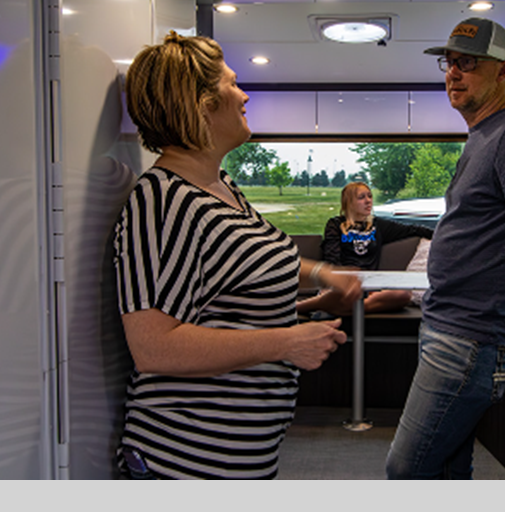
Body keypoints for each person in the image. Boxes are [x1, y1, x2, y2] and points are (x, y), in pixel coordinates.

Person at [112, 31, 361, 479]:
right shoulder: (163, 198)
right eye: (232, 83)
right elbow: (153, 346)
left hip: (242, 454)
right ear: (202, 104)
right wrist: (286, 342)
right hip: (185, 455)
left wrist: (322, 274)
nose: (244, 95)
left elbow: (244, 266)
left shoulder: (221, 186)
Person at [385, 17, 505, 479]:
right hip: (451, 329)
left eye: (468, 63)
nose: (453, 73)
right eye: (450, 63)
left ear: (503, 71)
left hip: (470, 341)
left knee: (406, 469)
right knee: (447, 468)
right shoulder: (483, 136)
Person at [296, 181, 433, 317]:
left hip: (370, 284)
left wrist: (441, 237)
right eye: (361, 197)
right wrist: (338, 280)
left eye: (370, 196)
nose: (368, 201)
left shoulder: (378, 225)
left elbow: (413, 230)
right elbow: (332, 256)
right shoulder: (336, 224)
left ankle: (345, 309)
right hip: (342, 282)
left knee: (403, 295)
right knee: (338, 295)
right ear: (349, 202)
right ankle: (303, 306)